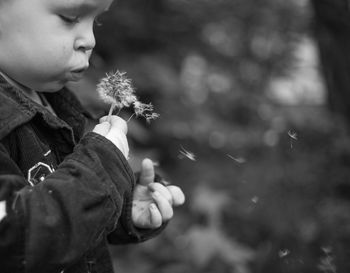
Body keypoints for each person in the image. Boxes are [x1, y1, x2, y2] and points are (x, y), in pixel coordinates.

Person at [0, 0, 185, 272]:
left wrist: (120, 205)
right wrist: (101, 173)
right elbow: (12, 237)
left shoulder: (54, 102)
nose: (90, 40)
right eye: (69, 17)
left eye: (95, 21)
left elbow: (52, 212)